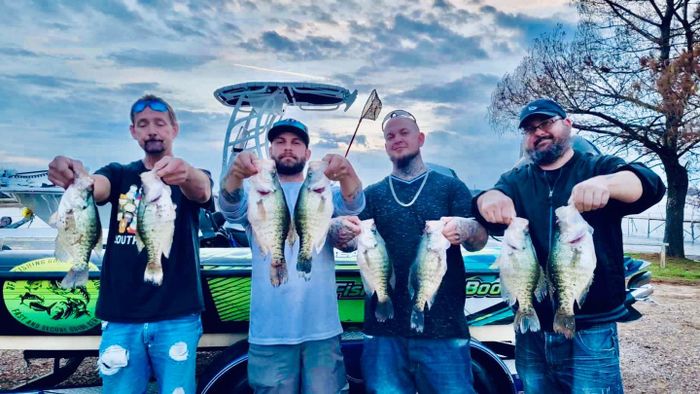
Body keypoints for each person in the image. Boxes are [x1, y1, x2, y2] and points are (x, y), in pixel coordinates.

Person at [474, 98, 666, 393]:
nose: (538, 132)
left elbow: (649, 183)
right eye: (529, 129)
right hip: (532, 333)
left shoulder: (598, 167)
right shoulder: (516, 180)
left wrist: (607, 184)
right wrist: (488, 199)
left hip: (592, 329)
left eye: (545, 123)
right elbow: (484, 203)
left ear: (567, 123)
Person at [48, 94, 213, 394]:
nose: (152, 130)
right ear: (133, 132)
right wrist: (74, 175)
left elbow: (202, 191)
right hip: (120, 316)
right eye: (143, 124)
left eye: (160, 123)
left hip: (177, 315)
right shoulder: (120, 173)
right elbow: (96, 186)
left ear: (174, 129)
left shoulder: (187, 176)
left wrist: (186, 173)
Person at [336, 109, 489, 393]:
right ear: (385, 146)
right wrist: (342, 232)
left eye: (404, 133)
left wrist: (466, 228)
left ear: (420, 138)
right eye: (390, 136)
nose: (397, 139)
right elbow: (347, 243)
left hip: (444, 331)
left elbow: (478, 239)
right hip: (383, 333)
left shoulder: (451, 188)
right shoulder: (372, 194)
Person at [218, 118, 365, 393]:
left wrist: (347, 173)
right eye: (280, 142)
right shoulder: (253, 192)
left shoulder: (327, 193)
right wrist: (235, 174)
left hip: (322, 330)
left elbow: (353, 204)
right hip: (269, 333)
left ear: (307, 154)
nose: (288, 148)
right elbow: (229, 207)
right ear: (270, 151)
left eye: (296, 143)